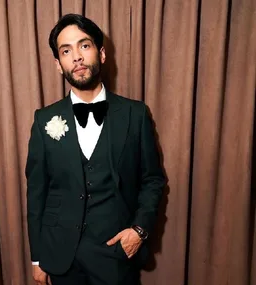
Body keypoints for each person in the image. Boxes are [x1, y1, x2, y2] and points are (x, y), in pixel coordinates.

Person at [26, 13, 165, 285]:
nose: (76, 56)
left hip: (115, 254)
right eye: (66, 51)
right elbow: (36, 193)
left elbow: (153, 180)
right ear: (58, 64)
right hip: (61, 256)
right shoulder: (44, 120)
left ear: (101, 54)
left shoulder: (135, 114)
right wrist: (37, 257)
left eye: (84, 45)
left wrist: (138, 231)